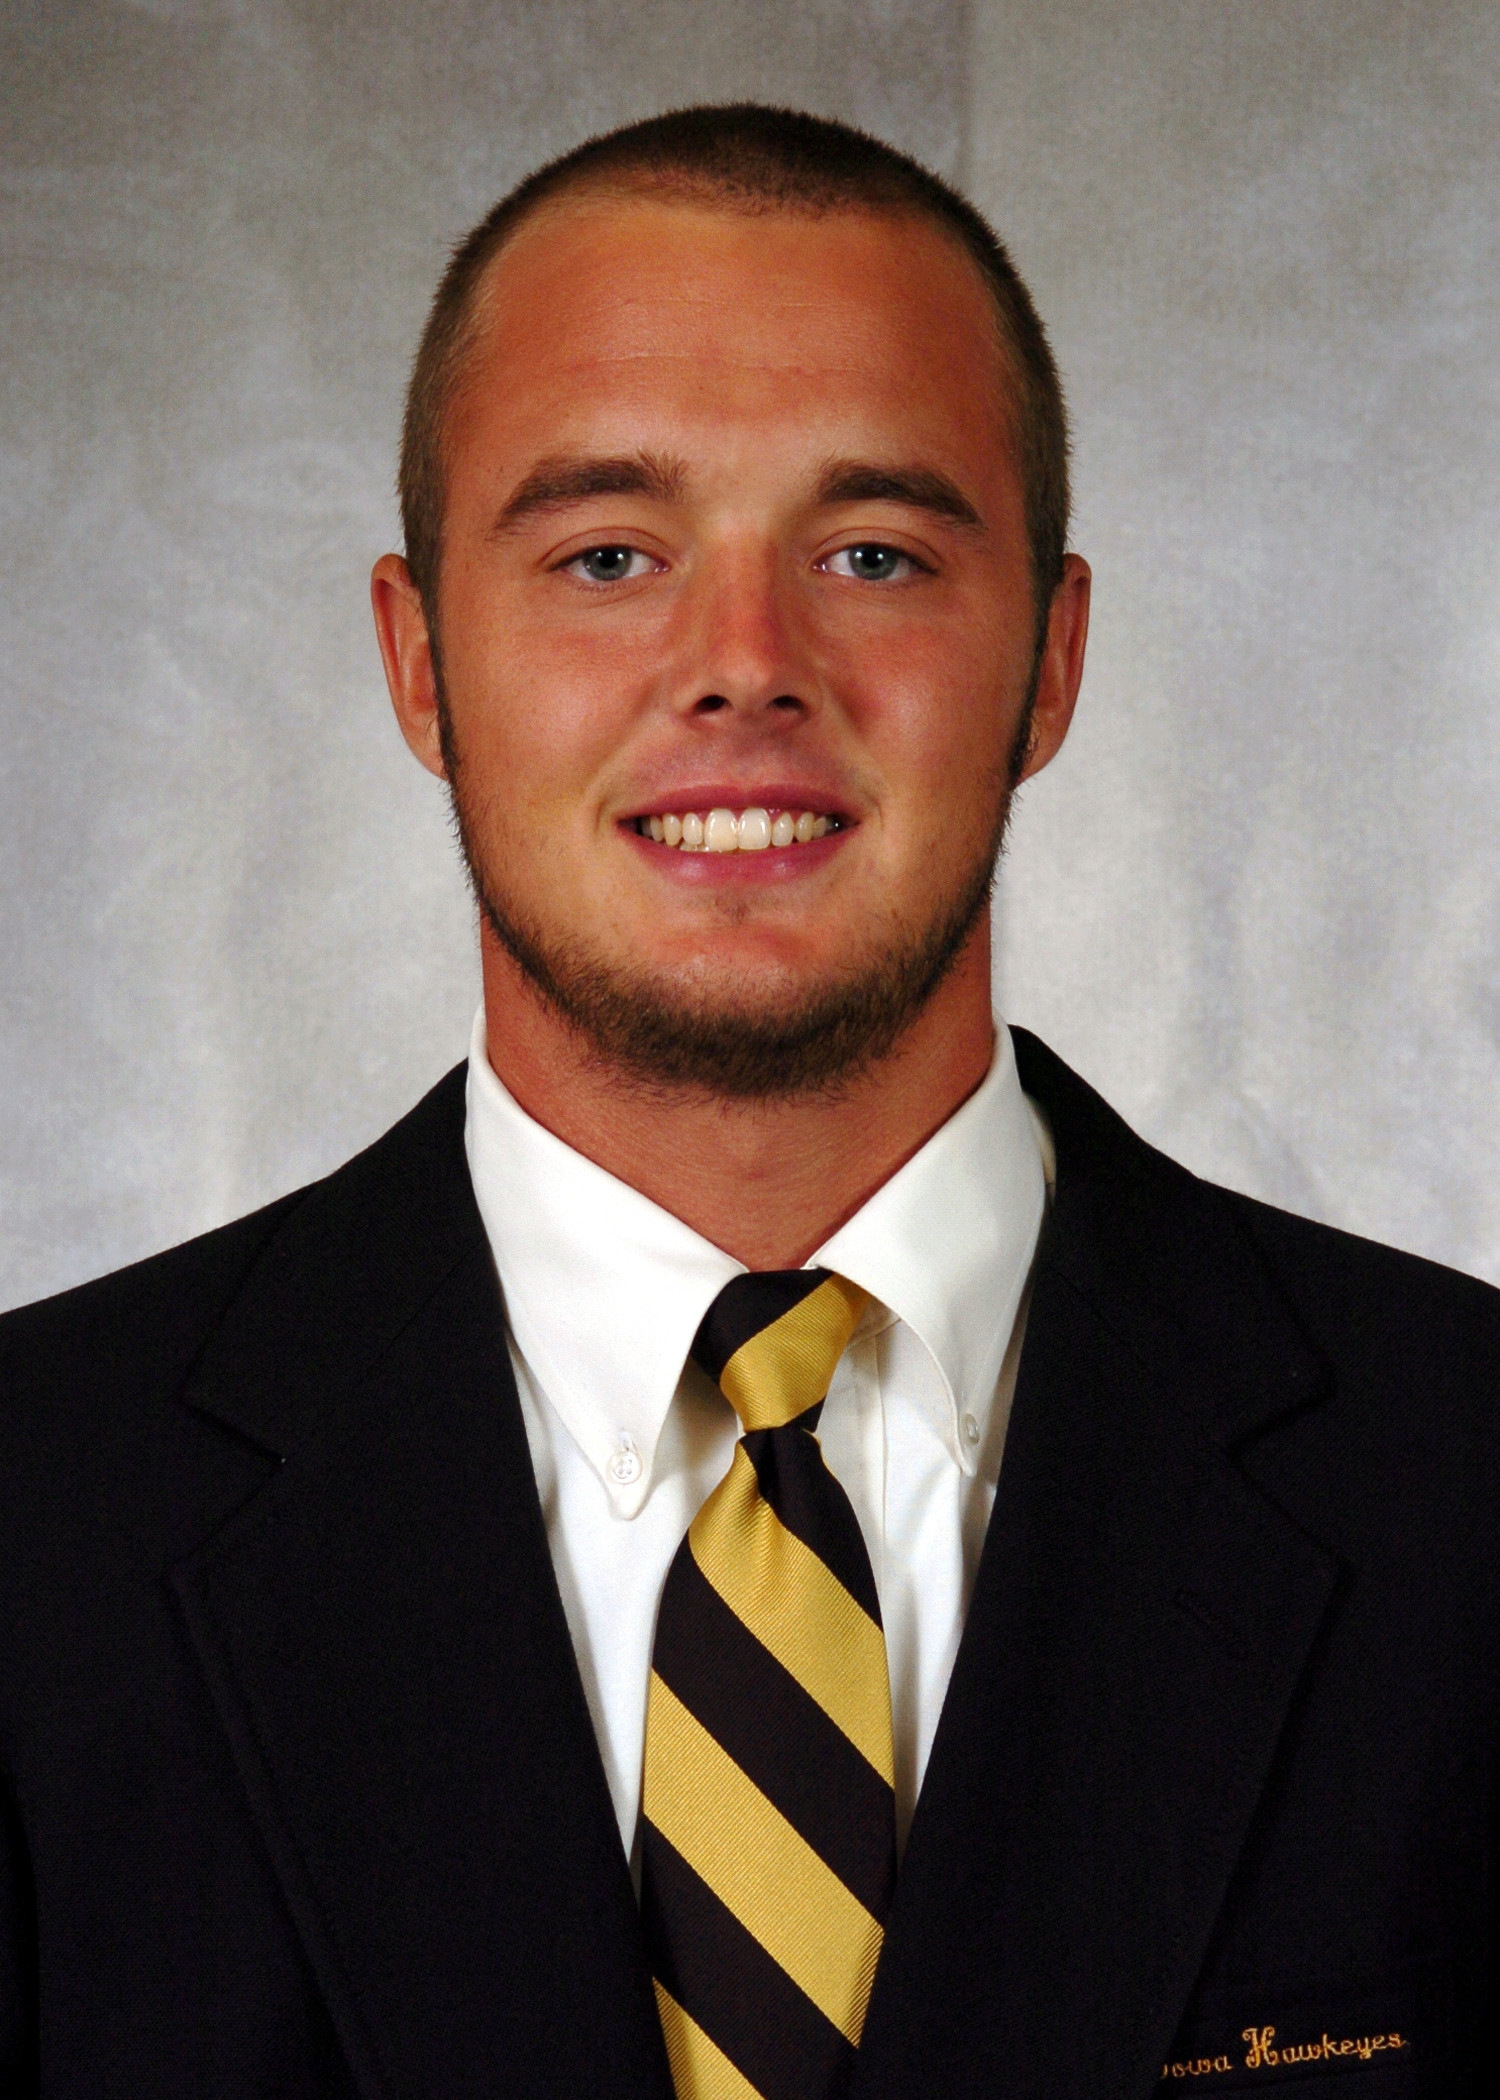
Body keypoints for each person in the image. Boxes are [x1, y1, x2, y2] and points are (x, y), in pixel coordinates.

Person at [0, 103, 1494, 2100]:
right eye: (608, 555)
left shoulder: (1462, 1487)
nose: (742, 667)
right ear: (420, 663)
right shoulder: (33, 1527)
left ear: (1050, 663)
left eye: (873, 554)